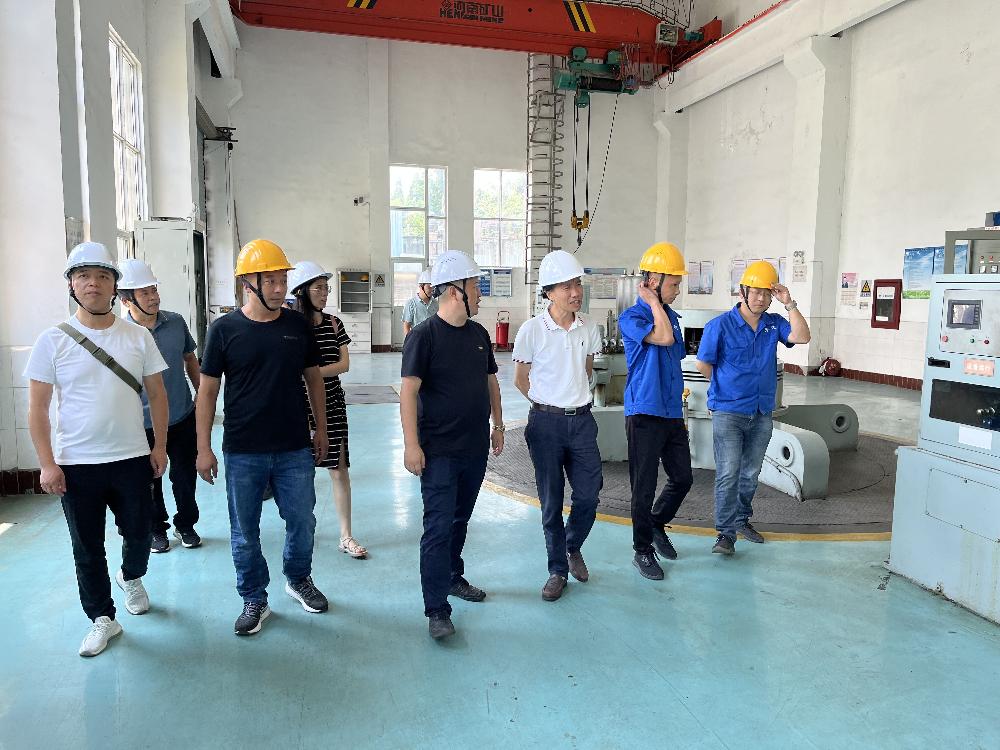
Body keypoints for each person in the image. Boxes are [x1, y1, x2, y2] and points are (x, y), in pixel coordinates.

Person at [24, 242, 169, 657]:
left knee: (140, 533)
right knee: (86, 546)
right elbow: (37, 408)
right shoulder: (52, 340)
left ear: (114, 287)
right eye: (83, 275)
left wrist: (159, 445)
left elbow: (157, 394)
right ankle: (102, 618)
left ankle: (131, 575)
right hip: (76, 464)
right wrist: (47, 464)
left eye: (102, 276)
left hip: (132, 457)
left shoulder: (138, 336)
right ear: (71, 284)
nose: (93, 283)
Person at [195, 239, 330, 636]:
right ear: (247, 284)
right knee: (244, 531)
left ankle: (298, 578)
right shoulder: (224, 330)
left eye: (282, 279)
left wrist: (321, 428)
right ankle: (254, 597)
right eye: (270, 280)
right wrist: (203, 448)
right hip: (243, 450)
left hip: (294, 446)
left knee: (302, 520)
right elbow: (207, 392)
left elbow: (314, 380)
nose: (279, 288)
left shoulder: (297, 326)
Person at [400, 250, 504, 640]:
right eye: (475, 286)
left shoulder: (478, 335)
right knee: (438, 528)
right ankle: (436, 609)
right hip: (438, 451)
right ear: (454, 291)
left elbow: (491, 381)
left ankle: (453, 576)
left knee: (460, 520)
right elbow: (408, 393)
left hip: (474, 449)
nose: (480, 293)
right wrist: (412, 445)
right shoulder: (423, 336)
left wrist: (498, 424)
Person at [695, 260, 811, 555]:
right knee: (728, 473)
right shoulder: (720, 326)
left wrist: (789, 303)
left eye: (766, 293)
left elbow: (802, 336)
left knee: (750, 472)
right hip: (728, 412)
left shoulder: (774, 323)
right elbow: (704, 365)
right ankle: (725, 534)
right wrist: (726, 389)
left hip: (761, 412)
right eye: (756, 292)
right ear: (742, 292)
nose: (761, 298)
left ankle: (741, 520)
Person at [512, 250, 603, 601]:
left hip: (582, 422)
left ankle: (571, 544)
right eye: (566, 286)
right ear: (549, 292)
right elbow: (521, 379)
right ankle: (557, 570)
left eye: (577, 284)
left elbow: (587, 370)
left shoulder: (589, 327)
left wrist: (570, 397)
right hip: (545, 424)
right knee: (551, 501)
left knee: (589, 494)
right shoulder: (532, 330)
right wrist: (546, 404)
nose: (575, 292)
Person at [618, 242, 694, 581]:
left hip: (671, 411)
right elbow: (662, 339)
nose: (677, 291)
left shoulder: (672, 317)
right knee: (644, 486)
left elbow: (674, 352)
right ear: (652, 282)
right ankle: (642, 549)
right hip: (644, 411)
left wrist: (659, 304)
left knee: (683, 478)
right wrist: (651, 301)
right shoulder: (633, 317)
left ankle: (656, 522)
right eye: (673, 284)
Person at [118, 259, 202, 552]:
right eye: (145, 293)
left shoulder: (175, 322)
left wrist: (201, 395)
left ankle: (186, 524)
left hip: (181, 415)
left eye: (154, 290)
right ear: (126, 300)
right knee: (150, 478)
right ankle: (157, 528)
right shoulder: (120, 333)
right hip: (141, 423)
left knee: (185, 475)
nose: (154, 297)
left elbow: (190, 359)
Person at [289, 260, 367, 559]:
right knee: (300, 472)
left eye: (326, 288)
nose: (324, 294)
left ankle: (346, 536)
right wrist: (312, 375)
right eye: (318, 288)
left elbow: (344, 364)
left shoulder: (334, 323)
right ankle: (302, 530)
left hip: (332, 404)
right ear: (302, 291)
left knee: (338, 469)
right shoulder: (290, 326)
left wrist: (311, 374)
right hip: (298, 408)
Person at [401, 268, 437, 337]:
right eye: (429, 287)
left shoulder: (435, 303)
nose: (432, 290)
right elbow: (406, 326)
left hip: (433, 339)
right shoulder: (411, 304)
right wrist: (409, 341)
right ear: (421, 286)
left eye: (433, 287)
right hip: (417, 339)